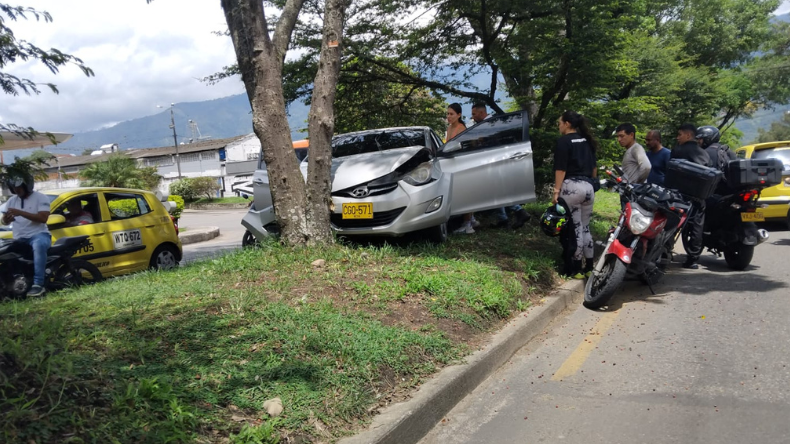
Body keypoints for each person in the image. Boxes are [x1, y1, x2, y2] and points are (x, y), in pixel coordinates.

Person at [470, 102, 530, 229]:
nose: (473, 117)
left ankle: (518, 211)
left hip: (495, 160)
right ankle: (503, 218)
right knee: (495, 190)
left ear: (481, 113)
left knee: (498, 189)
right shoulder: (494, 122)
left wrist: (478, 141)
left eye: (474, 114)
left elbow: (490, 142)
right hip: (496, 160)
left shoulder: (491, 124)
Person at [553, 110, 598, 278]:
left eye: (560, 123)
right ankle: (590, 267)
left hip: (571, 187)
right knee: (585, 227)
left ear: (567, 124)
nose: (559, 126)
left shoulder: (564, 142)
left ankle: (576, 268)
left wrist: (556, 191)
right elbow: (594, 168)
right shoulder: (587, 141)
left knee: (575, 228)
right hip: (588, 187)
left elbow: (561, 169)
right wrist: (592, 184)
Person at [0, 174, 51, 297]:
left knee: (38, 246)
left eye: (19, 187)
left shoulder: (40, 197)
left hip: (38, 235)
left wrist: (20, 212)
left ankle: (39, 284)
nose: (16, 190)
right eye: (14, 188)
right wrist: (6, 219)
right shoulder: (12, 200)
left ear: (26, 185)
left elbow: (43, 218)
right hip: (19, 238)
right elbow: (4, 221)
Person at [671, 123, 712, 270]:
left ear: (688, 135)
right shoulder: (704, 153)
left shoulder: (678, 150)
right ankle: (693, 259)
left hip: (680, 196)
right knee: (696, 227)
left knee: (672, 224)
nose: (677, 137)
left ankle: (665, 253)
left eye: (680, 134)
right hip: (699, 197)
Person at [447, 103, 477, 234]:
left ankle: (468, 224)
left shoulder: (461, 129)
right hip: (452, 163)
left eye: (451, 114)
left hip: (462, 163)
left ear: (459, 115)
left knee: (465, 193)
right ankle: (471, 219)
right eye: (447, 114)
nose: (448, 116)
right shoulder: (449, 128)